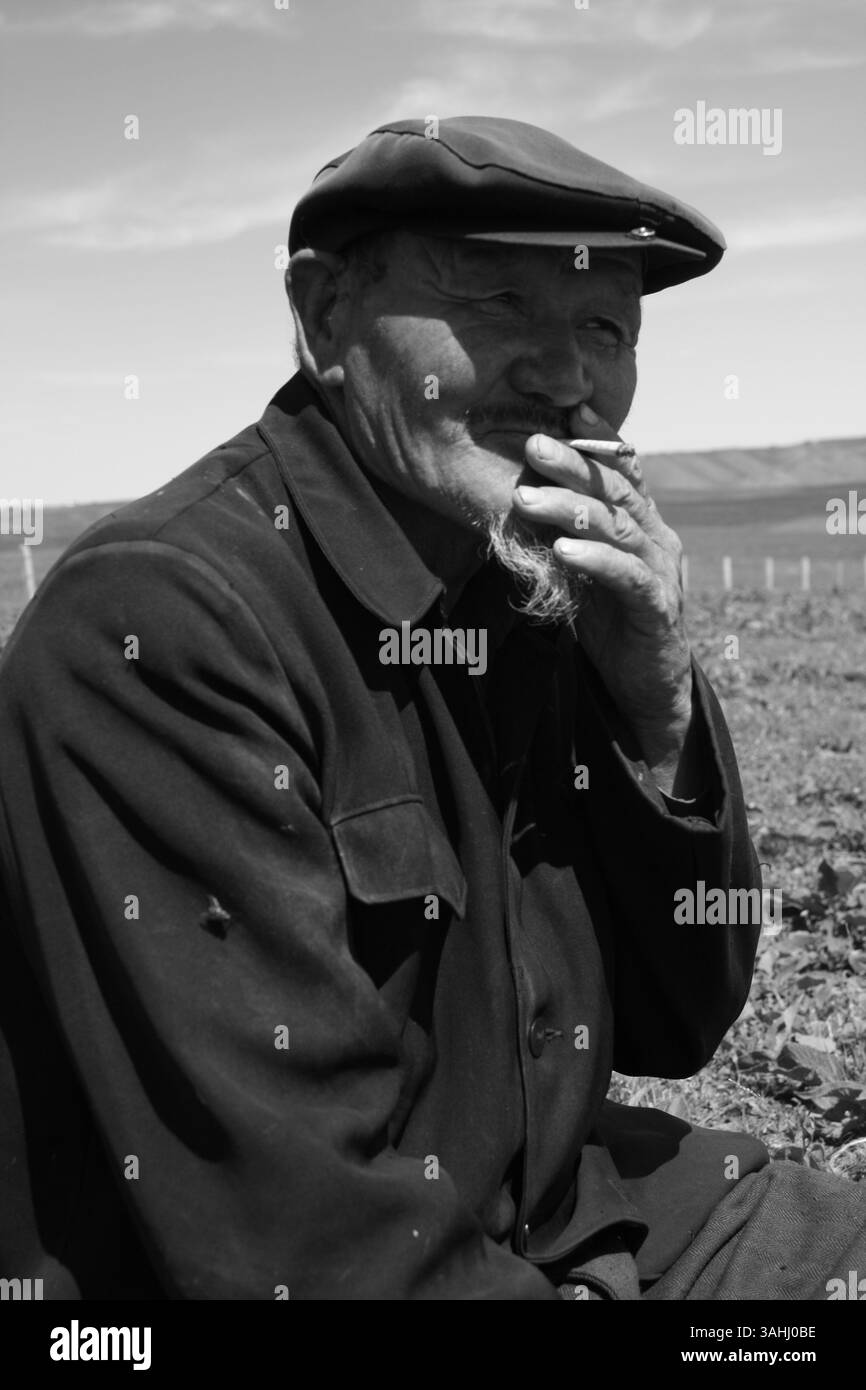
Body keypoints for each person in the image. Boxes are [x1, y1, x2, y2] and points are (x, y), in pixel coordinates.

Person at [0, 116, 863, 1301]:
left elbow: (676, 1026)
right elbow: (310, 1245)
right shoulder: (161, 630)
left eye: (603, 326)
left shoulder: (527, 580)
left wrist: (652, 696)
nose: (566, 377)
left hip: (556, 1209)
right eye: (499, 303)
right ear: (323, 316)